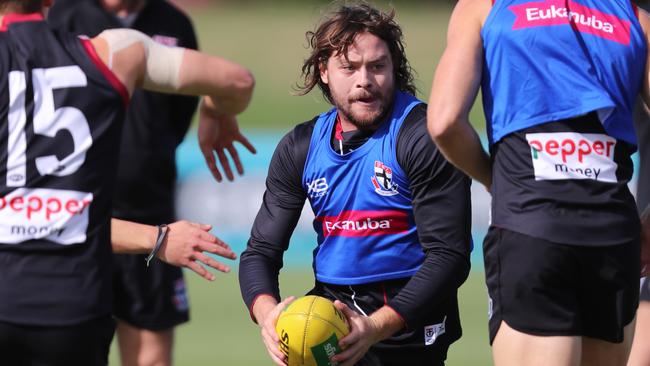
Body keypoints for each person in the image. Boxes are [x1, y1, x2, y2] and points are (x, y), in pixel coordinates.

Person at [0, 0, 254, 365]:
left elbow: (53, 219)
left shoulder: (168, 23)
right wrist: (216, 109)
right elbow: (238, 80)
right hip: (74, 306)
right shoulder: (116, 51)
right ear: (50, 3)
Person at [239, 3, 471, 366]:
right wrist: (268, 316)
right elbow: (259, 253)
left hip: (408, 321)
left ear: (393, 69)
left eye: (377, 66)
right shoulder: (301, 146)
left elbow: (450, 257)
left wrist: (374, 327)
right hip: (332, 314)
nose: (365, 80)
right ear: (324, 72)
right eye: (349, 67)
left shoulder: (421, 135)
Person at [427, 0, 648, 365]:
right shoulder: (635, 18)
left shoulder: (483, 7)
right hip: (613, 237)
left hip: (530, 228)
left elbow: (444, 122)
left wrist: (492, 179)